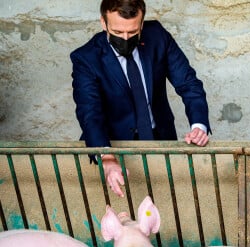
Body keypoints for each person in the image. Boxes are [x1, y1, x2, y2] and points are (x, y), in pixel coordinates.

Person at [70, 0, 211, 198]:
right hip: (112, 145)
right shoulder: (86, 58)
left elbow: (188, 84)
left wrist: (199, 126)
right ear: (103, 23)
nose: (126, 38)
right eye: (118, 32)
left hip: (159, 138)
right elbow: (89, 112)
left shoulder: (158, 36)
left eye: (132, 32)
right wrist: (107, 158)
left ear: (142, 24)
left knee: (166, 206)